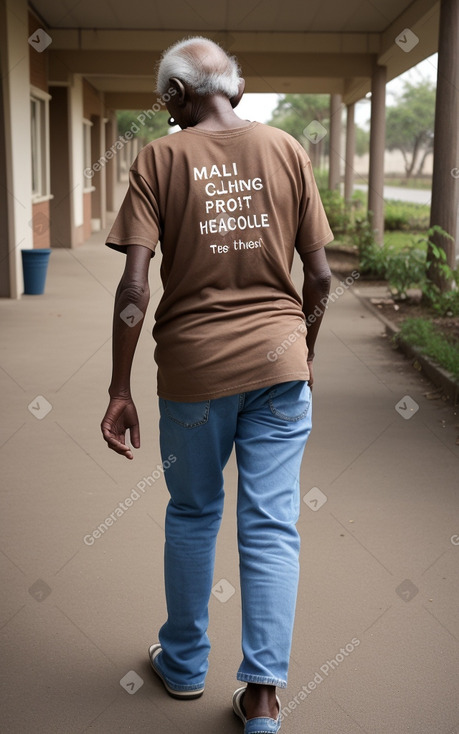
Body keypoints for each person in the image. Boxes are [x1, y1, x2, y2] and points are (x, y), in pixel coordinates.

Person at [101, 36, 332, 734]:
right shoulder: (288, 149)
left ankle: (183, 664)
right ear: (233, 84)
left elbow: (135, 283)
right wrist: (303, 350)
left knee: (194, 513)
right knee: (270, 526)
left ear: (173, 96)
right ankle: (261, 699)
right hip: (279, 366)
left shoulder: (159, 159)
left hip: (193, 374)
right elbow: (319, 278)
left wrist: (119, 387)